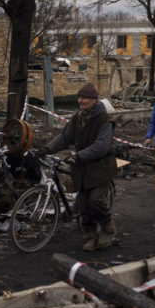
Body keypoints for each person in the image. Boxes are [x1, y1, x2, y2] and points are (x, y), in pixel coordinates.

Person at [44, 82, 117, 252]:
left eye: (85, 98)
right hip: (83, 168)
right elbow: (64, 138)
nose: (80, 100)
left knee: (96, 200)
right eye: (80, 97)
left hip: (101, 167)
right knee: (84, 204)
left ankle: (108, 229)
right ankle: (91, 236)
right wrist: (47, 148)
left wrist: (79, 155)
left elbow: (102, 146)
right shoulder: (77, 118)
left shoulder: (105, 119)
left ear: (94, 99)